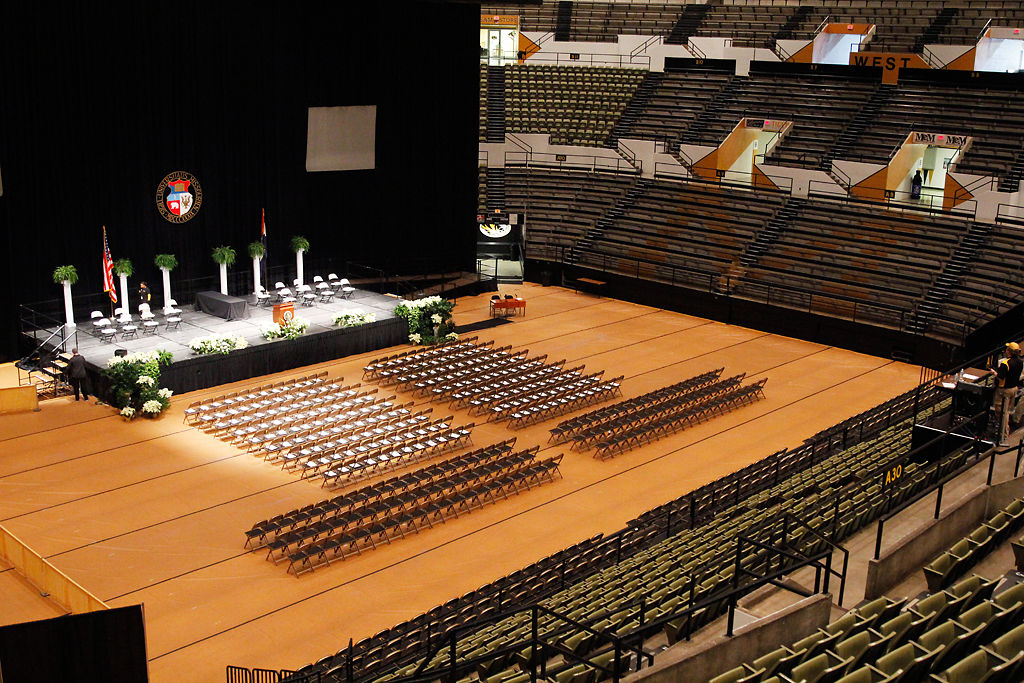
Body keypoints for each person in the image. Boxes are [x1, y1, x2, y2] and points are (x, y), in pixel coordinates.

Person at [991, 342, 1022, 443]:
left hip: (1004, 391)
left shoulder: (1005, 364)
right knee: (1007, 412)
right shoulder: (1020, 362)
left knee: (1001, 414)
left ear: (1009, 352)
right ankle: (1004, 433)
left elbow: (1000, 377)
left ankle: (1003, 435)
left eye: (1007, 349)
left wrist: (994, 372)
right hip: (1014, 389)